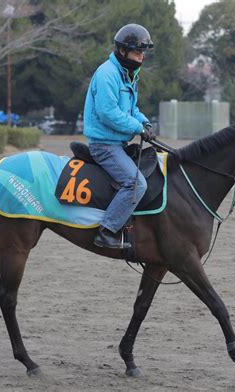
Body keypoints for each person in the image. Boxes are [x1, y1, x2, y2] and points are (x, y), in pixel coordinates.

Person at [83, 23, 156, 249]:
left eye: (143, 52)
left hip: (119, 143)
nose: (141, 57)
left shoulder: (129, 75)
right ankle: (107, 231)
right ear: (122, 51)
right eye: (137, 52)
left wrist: (144, 122)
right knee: (136, 184)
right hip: (104, 146)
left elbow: (131, 109)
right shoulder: (107, 74)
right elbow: (108, 113)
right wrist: (137, 128)